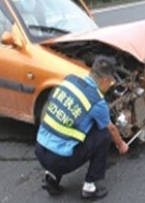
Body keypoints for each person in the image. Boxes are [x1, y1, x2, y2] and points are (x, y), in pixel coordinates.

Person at [35, 56, 129, 200]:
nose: (111, 85)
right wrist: (121, 145)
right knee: (103, 135)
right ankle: (90, 188)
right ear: (104, 81)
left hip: (40, 150)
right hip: (60, 160)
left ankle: (51, 177)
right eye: (111, 82)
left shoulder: (69, 80)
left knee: (67, 130)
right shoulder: (96, 101)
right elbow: (111, 129)